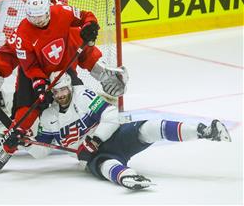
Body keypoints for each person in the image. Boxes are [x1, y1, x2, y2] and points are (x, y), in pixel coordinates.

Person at [13, 71, 232, 190]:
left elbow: (111, 116)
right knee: (106, 164)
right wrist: (26, 143)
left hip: (113, 137)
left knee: (149, 127)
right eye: (56, 91)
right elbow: (42, 151)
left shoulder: (84, 96)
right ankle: (128, 178)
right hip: (91, 157)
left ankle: (204, 130)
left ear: (70, 87)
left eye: (63, 89)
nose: (60, 94)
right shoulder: (49, 117)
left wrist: (95, 140)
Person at [0, 0, 128, 160]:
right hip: (31, 75)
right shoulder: (22, 33)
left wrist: (103, 72)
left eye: (43, 14)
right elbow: (14, 58)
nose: (38, 21)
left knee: (79, 101)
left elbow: (86, 48)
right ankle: (5, 139)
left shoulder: (63, 17)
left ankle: (94, 130)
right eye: (34, 17)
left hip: (63, 72)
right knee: (25, 119)